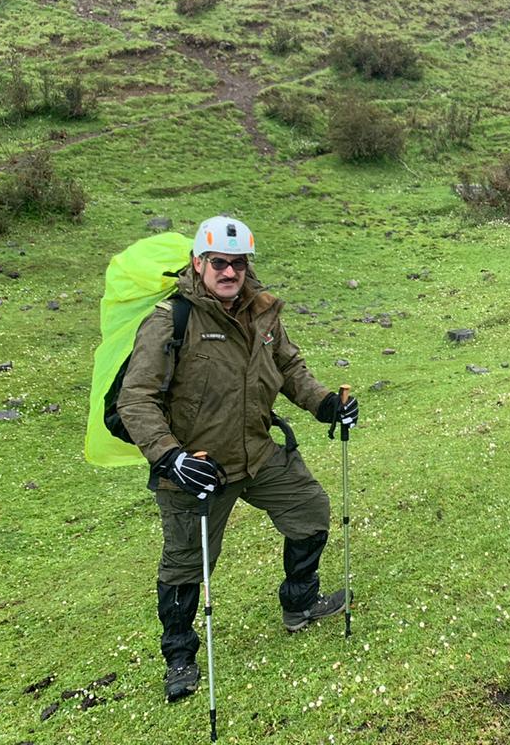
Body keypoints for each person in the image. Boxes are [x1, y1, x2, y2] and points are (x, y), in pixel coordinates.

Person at [117, 215, 359, 702]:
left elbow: (288, 366)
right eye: (219, 263)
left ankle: (300, 603)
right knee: (186, 565)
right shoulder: (171, 320)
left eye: (239, 263)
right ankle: (180, 657)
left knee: (310, 509)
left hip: (258, 450)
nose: (230, 272)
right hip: (197, 467)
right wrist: (170, 458)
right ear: (198, 263)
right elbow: (135, 399)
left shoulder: (261, 311)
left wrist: (324, 404)